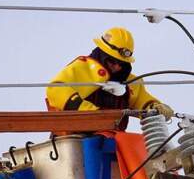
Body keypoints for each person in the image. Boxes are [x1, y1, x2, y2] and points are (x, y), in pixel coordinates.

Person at [45, 27, 174, 124]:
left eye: (121, 64)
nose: (117, 67)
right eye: (112, 61)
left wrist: (156, 108)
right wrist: (92, 113)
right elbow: (56, 89)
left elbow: (142, 101)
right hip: (79, 136)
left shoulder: (131, 82)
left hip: (115, 138)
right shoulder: (83, 67)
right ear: (102, 55)